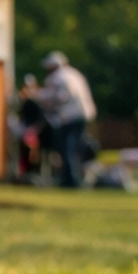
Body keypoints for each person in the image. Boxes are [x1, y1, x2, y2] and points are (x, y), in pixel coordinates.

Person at [34, 51, 97, 189]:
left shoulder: (58, 77)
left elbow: (61, 97)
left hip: (69, 117)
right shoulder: (74, 74)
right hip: (83, 115)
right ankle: (74, 178)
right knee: (75, 148)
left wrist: (38, 95)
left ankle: (70, 180)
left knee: (66, 148)